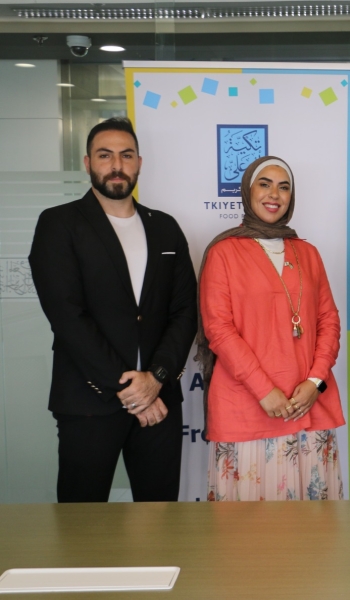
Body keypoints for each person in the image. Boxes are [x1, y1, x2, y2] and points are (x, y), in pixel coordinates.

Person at [29, 117, 198, 503]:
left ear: (139, 163)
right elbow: (67, 316)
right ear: (88, 163)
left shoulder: (165, 227)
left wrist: (155, 379)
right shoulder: (59, 224)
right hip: (89, 402)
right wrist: (131, 391)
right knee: (82, 522)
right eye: (105, 156)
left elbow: (185, 311)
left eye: (126, 155)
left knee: (160, 520)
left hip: (160, 402)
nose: (116, 165)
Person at [198, 156, 344, 502]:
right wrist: (264, 390)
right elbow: (219, 329)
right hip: (246, 406)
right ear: (247, 191)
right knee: (248, 527)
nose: (274, 194)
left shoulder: (307, 253)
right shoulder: (223, 252)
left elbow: (329, 321)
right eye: (264, 184)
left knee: (314, 525)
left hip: (308, 405)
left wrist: (315, 382)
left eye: (284, 186)